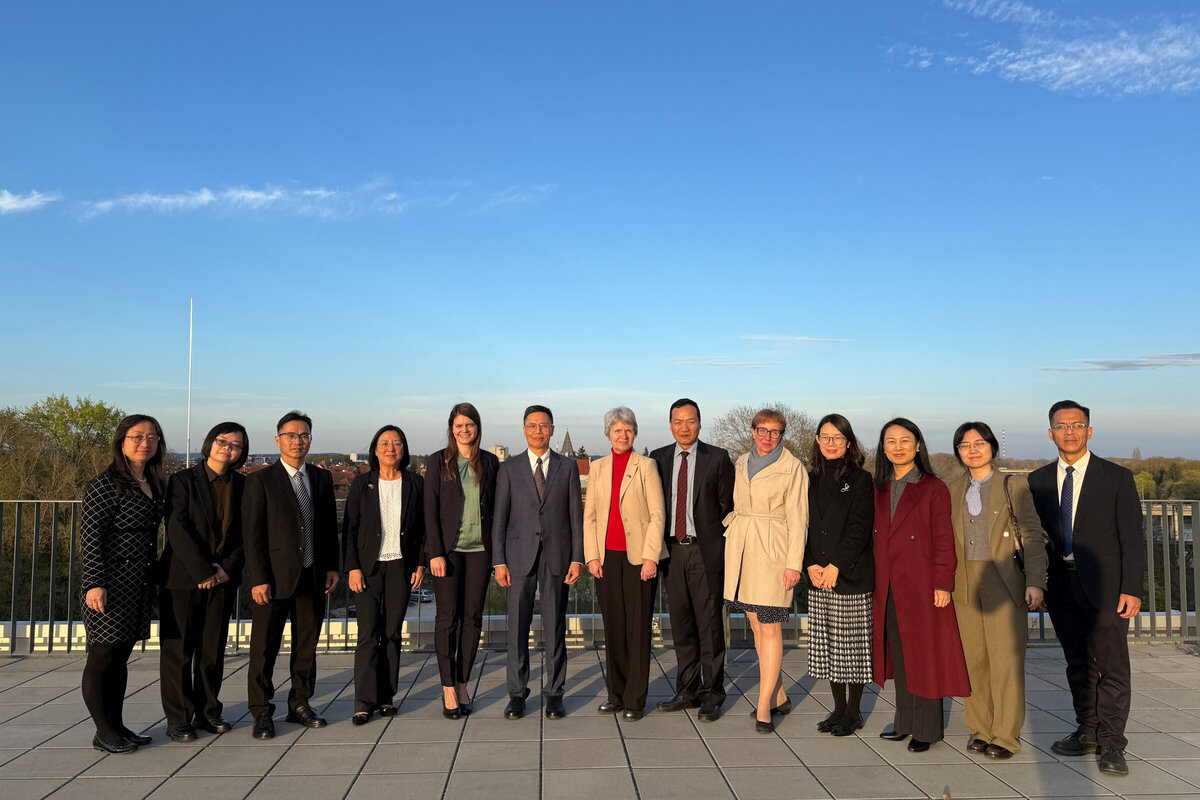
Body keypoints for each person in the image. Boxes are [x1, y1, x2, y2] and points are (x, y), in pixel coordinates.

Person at [1028, 400, 1144, 776]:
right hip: (1061, 586)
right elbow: (1036, 539)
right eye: (1062, 426)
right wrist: (1039, 583)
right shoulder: (1039, 480)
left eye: (1077, 425)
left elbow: (1132, 539)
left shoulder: (1116, 478)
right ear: (1051, 433)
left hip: (1107, 588)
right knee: (1078, 663)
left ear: (1089, 431)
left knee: (1111, 667)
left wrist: (1131, 588)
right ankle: (1088, 730)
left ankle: (1113, 743)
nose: (1070, 432)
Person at [948, 421, 1049, 759]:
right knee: (973, 660)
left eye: (979, 443)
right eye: (964, 445)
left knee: (1005, 660)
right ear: (958, 452)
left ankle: (1005, 736)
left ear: (992, 446)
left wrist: (1036, 580)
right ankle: (980, 729)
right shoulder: (952, 488)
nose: (972, 450)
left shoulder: (1013, 484)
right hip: (964, 582)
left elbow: (1033, 535)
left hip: (1004, 580)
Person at [872, 418, 970, 752]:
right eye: (890, 441)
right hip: (887, 585)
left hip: (922, 584)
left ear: (917, 445)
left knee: (924, 657)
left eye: (904, 440)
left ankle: (927, 730)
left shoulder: (932, 487)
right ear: (883, 448)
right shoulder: (880, 487)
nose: (897, 447)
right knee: (899, 657)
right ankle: (904, 722)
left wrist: (943, 583)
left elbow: (944, 540)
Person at [243, 411, 340, 740]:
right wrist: (258, 578)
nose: (298, 441)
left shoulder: (321, 478)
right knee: (264, 649)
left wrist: (331, 566)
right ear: (277, 440)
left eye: (304, 435)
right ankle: (260, 711)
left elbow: (328, 528)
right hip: (273, 580)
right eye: (291, 435)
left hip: (312, 576)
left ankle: (300, 703)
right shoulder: (260, 480)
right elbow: (252, 535)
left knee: (306, 647)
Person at [81, 415, 167, 754]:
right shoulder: (104, 485)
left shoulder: (154, 481)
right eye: (137, 436)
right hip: (109, 583)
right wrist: (93, 584)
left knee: (120, 658)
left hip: (139, 582)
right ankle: (104, 731)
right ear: (121, 441)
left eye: (152, 437)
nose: (145, 443)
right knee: (102, 657)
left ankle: (116, 726)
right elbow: (91, 538)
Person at [492, 405, 584, 720]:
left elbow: (576, 516)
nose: (538, 431)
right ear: (524, 429)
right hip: (518, 558)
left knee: (555, 627)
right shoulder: (509, 468)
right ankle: (517, 694)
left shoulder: (567, 467)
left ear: (552, 429)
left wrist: (577, 558)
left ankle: (555, 694)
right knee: (517, 629)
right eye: (532, 426)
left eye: (543, 426)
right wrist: (498, 561)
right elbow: (499, 519)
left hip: (558, 556)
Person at [159, 422, 248, 742]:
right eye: (223, 441)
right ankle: (178, 719)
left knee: (212, 651)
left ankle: (209, 712)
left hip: (223, 579)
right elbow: (178, 529)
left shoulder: (242, 485)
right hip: (183, 579)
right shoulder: (182, 481)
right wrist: (203, 571)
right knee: (178, 653)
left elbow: (245, 535)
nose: (228, 448)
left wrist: (226, 568)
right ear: (209, 443)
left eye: (236, 445)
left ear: (242, 452)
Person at [723, 408, 809, 734]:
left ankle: (763, 707)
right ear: (753, 430)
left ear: (782, 435)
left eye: (774, 432)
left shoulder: (793, 468)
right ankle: (780, 695)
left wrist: (793, 564)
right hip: (743, 550)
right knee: (757, 626)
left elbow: (800, 519)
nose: (767, 436)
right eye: (762, 430)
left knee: (770, 628)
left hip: (774, 552)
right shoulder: (741, 462)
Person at [650, 399, 734, 722]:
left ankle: (712, 693)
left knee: (710, 624)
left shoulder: (718, 458)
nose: (684, 427)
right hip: (671, 552)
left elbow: (728, 507)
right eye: (678, 421)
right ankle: (687, 688)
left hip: (704, 551)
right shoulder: (658, 459)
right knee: (682, 624)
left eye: (690, 421)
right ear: (670, 424)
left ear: (700, 422)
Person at [583, 407, 666, 721]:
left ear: (635, 432)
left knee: (638, 627)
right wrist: (592, 555)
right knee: (614, 627)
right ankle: (615, 694)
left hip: (638, 558)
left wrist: (650, 557)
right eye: (617, 430)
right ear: (608, 434)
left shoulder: (646, 466)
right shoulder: (598, 467)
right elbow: (590, 516)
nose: (623, 435)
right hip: (606, 558)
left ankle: (634, 699)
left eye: (628, 430)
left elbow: (658, 514)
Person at [343, 425, 425, 725]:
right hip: (368, 569)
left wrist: (420, 564)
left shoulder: (415, 483)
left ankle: (387, 697)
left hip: (400, 566)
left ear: (404, 450)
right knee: (368, 635)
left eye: (397, 443)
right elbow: (349, 529)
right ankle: (363, 701)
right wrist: (352, 567)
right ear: (375, 450)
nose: (391, 448)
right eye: (385, 443)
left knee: (391, 635)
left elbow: (422, 529)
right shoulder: (361, 483)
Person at [425, 402, 499, 719]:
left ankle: (463, 682)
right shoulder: (438, 462)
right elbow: (429, 512)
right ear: (451, 429)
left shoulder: (491, 462)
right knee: (448, 618)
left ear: (477, 428)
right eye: (458, 425)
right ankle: (447, 688)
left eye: (469, 424)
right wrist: (435, 552)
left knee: (473, 618)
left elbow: (498, 508)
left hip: (481, 550)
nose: (464, 430)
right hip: (449, 552)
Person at [803, 413, 874, 737]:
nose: (831, 443)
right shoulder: (808, 478)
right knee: (829, 650)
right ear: (817, 440)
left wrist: (836, 565)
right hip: (818, 577)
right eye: (825, 437)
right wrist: (810, 564)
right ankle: (837, 709)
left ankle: (853, 712)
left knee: (853, 651)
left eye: (838, 438)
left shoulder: (860, 480)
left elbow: (859, 529)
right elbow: (800, 527)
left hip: (850, 576)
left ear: (848, 442)